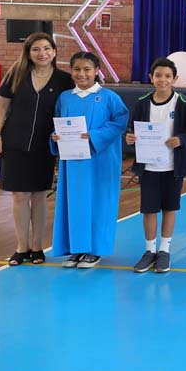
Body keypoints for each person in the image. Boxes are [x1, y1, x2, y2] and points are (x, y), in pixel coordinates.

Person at [0, 32, 75, 266]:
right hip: (14, 143)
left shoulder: (64, 80)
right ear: (28, 53)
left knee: (38, 196)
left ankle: (37, 247)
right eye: (36, 49)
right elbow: (1, 106)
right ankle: (21, 247)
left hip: (45, 146)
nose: (42, 53)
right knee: (19, 195)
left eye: (46, 48)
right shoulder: (16, 74)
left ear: (54, 52)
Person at [50, 51, 129, 269]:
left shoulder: (109, 97)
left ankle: (94, 250)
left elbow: (120, 122)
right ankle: (76, 248)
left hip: (100, 160)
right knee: (74, 203)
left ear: (96, 71)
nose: (81, 74)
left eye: (87, 69)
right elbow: (58, 123)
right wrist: (55, 136)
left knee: (99, 203)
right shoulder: (65, 97)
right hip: (73, 162)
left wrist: (94, 136)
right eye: (77, 69)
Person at [124, 57, 186, 273]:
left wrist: (180, 139)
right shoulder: (142, 102)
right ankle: (149, 251)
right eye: (158, 75)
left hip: (173, 167)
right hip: (148, 167)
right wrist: (129, 137)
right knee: (149, 210)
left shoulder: (182, 102)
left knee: (169, 208)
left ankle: (164, 250)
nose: (163, 80)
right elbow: (132, 129)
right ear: (151, 77)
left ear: (175, 78)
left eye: (167, 76)